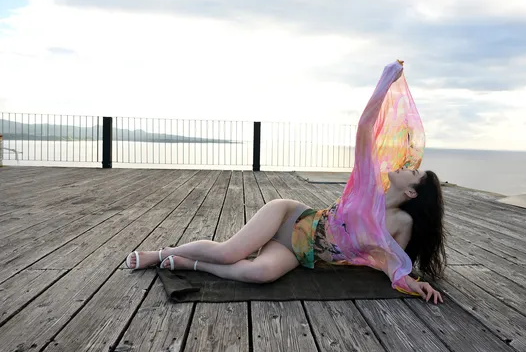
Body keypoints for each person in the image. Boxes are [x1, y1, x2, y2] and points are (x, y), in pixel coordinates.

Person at [125, 60, 445, 304]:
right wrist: (386, 80)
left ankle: (187, 263)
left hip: (303, 254)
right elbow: (364, 127)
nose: (406, 166)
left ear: (412, 191)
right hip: (290, 216)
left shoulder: (400, 223)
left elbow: (391, 263)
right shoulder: (369, 189)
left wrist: (414, 283)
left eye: (413, 172)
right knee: (228, 253)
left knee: (258, 273)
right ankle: (162, 253)